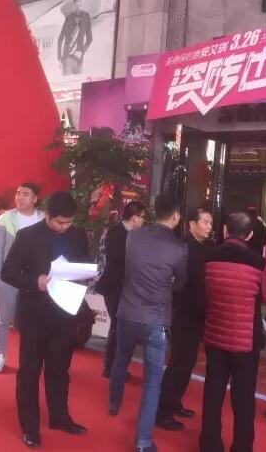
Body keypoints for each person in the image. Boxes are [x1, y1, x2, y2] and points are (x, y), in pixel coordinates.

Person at [1, 192, 90, 449]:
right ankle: (30, 426)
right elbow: (7, 272)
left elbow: (83, 262)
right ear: (48, 216)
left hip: (65, 312)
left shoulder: (78, 235)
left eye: (69, 222)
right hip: (35, 314)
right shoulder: (28, 236)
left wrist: (87, 273)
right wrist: (34, 281)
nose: (65, 226)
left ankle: (60, 417)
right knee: (30, 372)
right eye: (60, 222)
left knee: (59, 369)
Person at [109, 193, 188, 452]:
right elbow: (181, 283)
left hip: (127, 312)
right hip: (156, 319)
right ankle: (143, 442)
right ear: (176, 216)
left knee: (120, 359)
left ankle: (113, 403)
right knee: (153, 382)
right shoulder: (179, 248)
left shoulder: (134, 236)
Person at [199, 212, 265, 452]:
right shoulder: (258, 263)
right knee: (244, 398)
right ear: (249, 235)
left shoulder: (208, 257)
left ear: (225, 231)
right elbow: (264, 297)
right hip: (245, 341)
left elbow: (202, 295)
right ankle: (242, 446)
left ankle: (209, 444)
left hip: (215, 335)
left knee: (213, 393)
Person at [156, 207, 213, 431]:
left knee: (186, 362)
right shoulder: (186, 248)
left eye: (210, 223)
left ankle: (173, 403)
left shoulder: (199, 248)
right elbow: (188, 286)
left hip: (192, 315)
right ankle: (163, 412)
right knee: (179, 363)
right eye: (205, 222)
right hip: (185, 314)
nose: (209, 227)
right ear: (191, 224)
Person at [0, 182, 45, 374]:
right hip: (9, 278)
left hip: (35, 279)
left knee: (34, 321)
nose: (20, 197)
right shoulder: (5, 219)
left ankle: (34, 358)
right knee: (4, 318)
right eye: (18, 193)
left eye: (25, 194)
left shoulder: (44, 219)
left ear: (35, 198)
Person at [97, 201, 145, 378]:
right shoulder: (115, 232)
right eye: (142, 217)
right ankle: (110, 366)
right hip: (114, 286)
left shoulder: (137, 234)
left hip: (129, 287)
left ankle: (116, 366)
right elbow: (116, 257)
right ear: (134, 217)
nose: (143, 221)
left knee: (122, 326)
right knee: (118, 325)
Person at [57, 0, 93, 76]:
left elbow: (90, 39)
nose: (78, 3)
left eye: (80, 1)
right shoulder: (68, 18)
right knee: (66, 81)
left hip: (79, 59)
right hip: (67, 57)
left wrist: (81, 52)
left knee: (79, 82)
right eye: (77, 1)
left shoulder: (86, 16)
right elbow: (60, 39)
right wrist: (59, 57)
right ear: (74, 3)